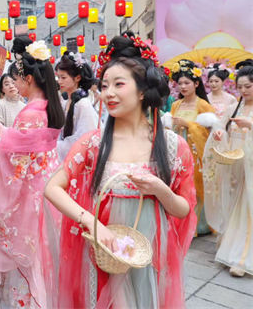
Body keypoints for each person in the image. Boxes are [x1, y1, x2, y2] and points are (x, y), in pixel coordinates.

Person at [44, 34, 197, 308]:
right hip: (103, 249)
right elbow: (53, 188)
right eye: (104, 86)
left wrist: (160, 190)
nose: (108, 93)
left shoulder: (173, 146)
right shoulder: (93, 143)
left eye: (118, 84)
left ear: (142, 91)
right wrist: (92, 223)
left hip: (150, 249)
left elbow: (183, 209)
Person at [0, 40, 65, 309]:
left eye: (18, 79)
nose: (15, 85)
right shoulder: (46, 107)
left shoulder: (31, 111)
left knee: (17, 265)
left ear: (28, 79)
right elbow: (19, 143)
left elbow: (9, 158)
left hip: (27, 198)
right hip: (44, 191)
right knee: (38, 261)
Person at [203, 59, 253, 277]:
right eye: (240, 87)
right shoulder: (235, 106)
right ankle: (231, 248)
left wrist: (251, 125)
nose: (243, 90)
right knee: (234, 205)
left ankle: (242, 258)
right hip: (236, 163)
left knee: (248, 207)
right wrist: (220, 133)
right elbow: (220, 124)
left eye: (248, 87)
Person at [165, 59, 217, 235]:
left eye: (187, 83)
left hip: (195, 153)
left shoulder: (202, 104)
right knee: (178, 184)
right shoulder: (175, 105)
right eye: (179, 83)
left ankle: (196, 225)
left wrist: (189, 124)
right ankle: (180, 222)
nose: (183, 86)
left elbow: (211, 129)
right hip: (177, 150)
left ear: (196, 83)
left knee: (194, 186)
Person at [55, 52, 99, 161]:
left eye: (63, 77)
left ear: (77, 77)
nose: (59, 81)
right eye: (58, 77)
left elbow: (84, 140)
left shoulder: (83, 104)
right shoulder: (65, 102)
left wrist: (55, 147)